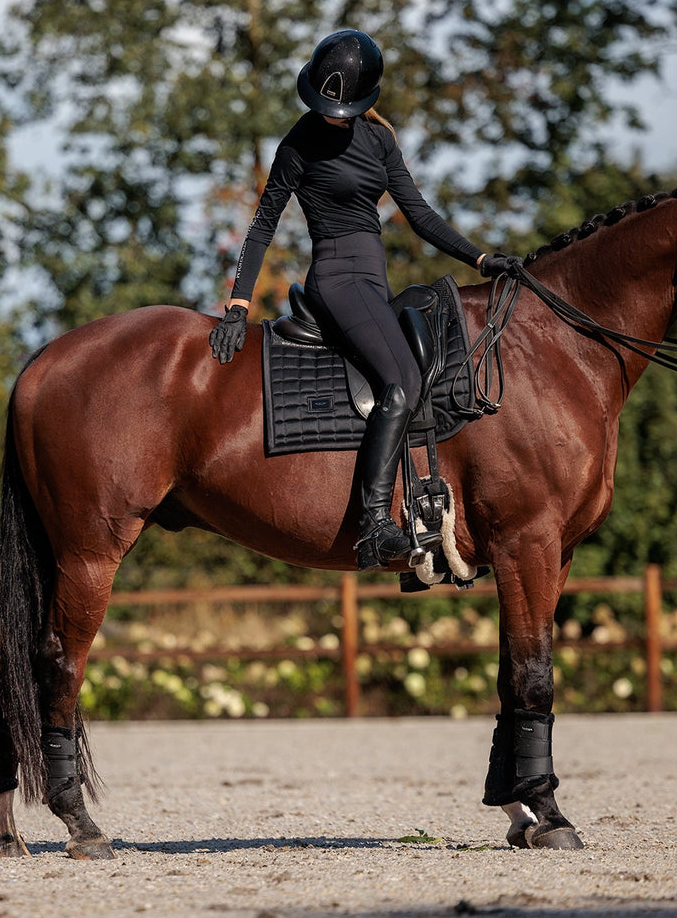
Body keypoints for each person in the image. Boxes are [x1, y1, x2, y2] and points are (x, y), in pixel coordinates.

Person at [209, 29, 517, 570]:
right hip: (335, 279)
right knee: (399, 385)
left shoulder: (380, 142)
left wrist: (481, 260)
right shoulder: (296, 146)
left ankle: (424, 510)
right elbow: (262, 226)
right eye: (323, 105)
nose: (329, 114)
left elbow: (419, 215)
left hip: (374, 281)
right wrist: (238, 304)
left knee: (422, 372)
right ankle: (375, 526)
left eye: (339, 107)